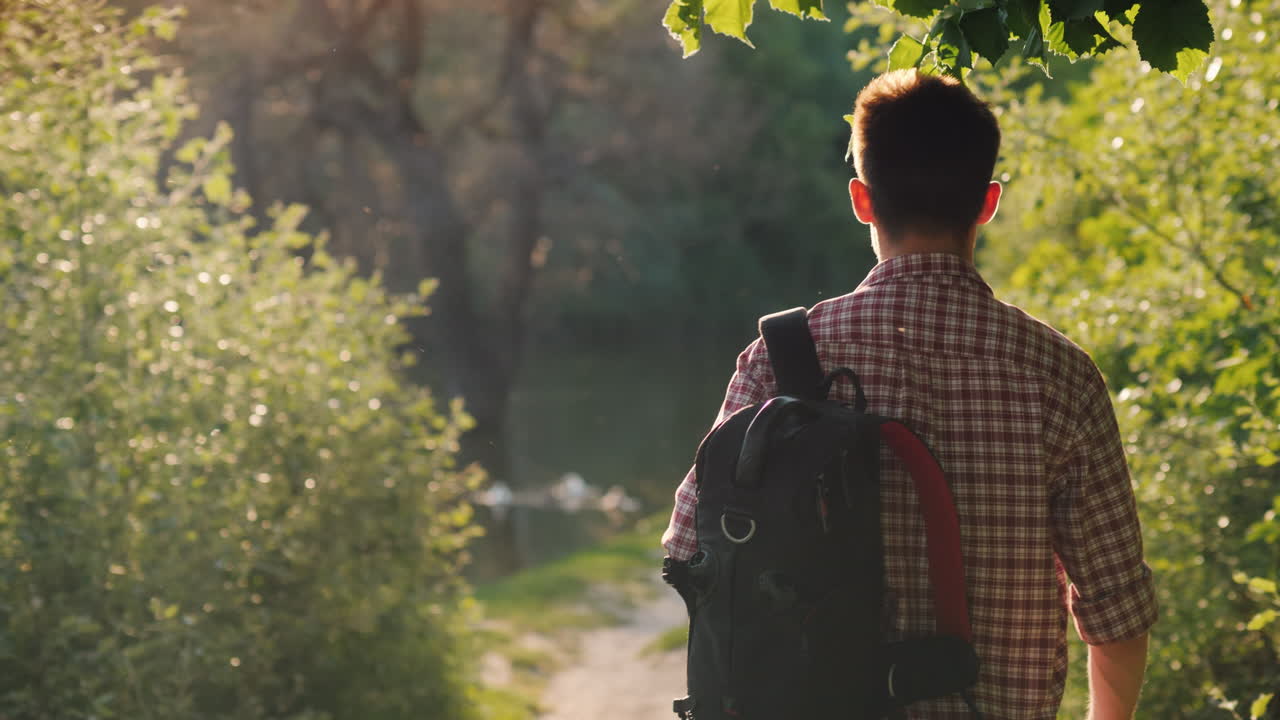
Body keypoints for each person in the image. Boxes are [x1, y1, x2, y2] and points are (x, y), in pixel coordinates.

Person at [661, 69, 1157, 720]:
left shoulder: (783, 357)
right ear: (988, 202)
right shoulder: (1059, 375)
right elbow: (1116, 612)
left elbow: (691, 549)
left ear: (862, 200)